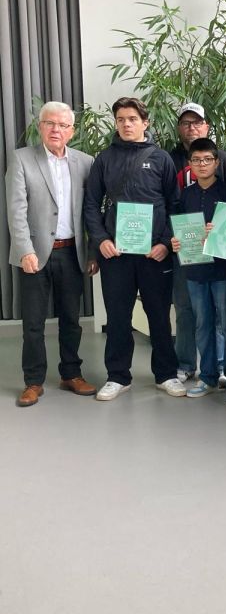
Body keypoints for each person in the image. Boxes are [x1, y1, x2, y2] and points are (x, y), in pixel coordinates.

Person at [84, 97, 185, 400]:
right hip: (116, 254)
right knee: (118, 317)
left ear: (145, 122)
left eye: (132, 119)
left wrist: (165, 244)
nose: (126, 124)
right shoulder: (104, 159)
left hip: (154, 254)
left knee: (159, 316)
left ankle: (166, 374)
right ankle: (118, 376)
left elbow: (175, 205)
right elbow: (91, 205)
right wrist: (101, 240)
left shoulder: (161, 158)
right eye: (121, 120)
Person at [5, 101, 97, 407]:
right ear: (40, 126)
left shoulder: (86, 162)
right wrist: (24, 250)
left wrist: (93, 252)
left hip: (72, 253)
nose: (56, 129)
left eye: (62, 125)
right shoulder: (21, 159)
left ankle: (71, 373)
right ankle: (33, 381)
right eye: (50, 123)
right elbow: (16, 211)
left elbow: (92, 212)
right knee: (33, 323)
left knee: (71, 319)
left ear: (72, 131)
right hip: (34, 254)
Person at [169, 102, 226, 383]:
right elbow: (172, 213)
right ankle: (195, 369)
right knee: (193, 316)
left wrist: (221, 229)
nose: (192, 127)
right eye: (186, 123)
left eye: (197, 122)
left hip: (220, 263)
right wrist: (173, 239)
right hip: (190, 261)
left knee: (224, 319)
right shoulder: (172, 167)